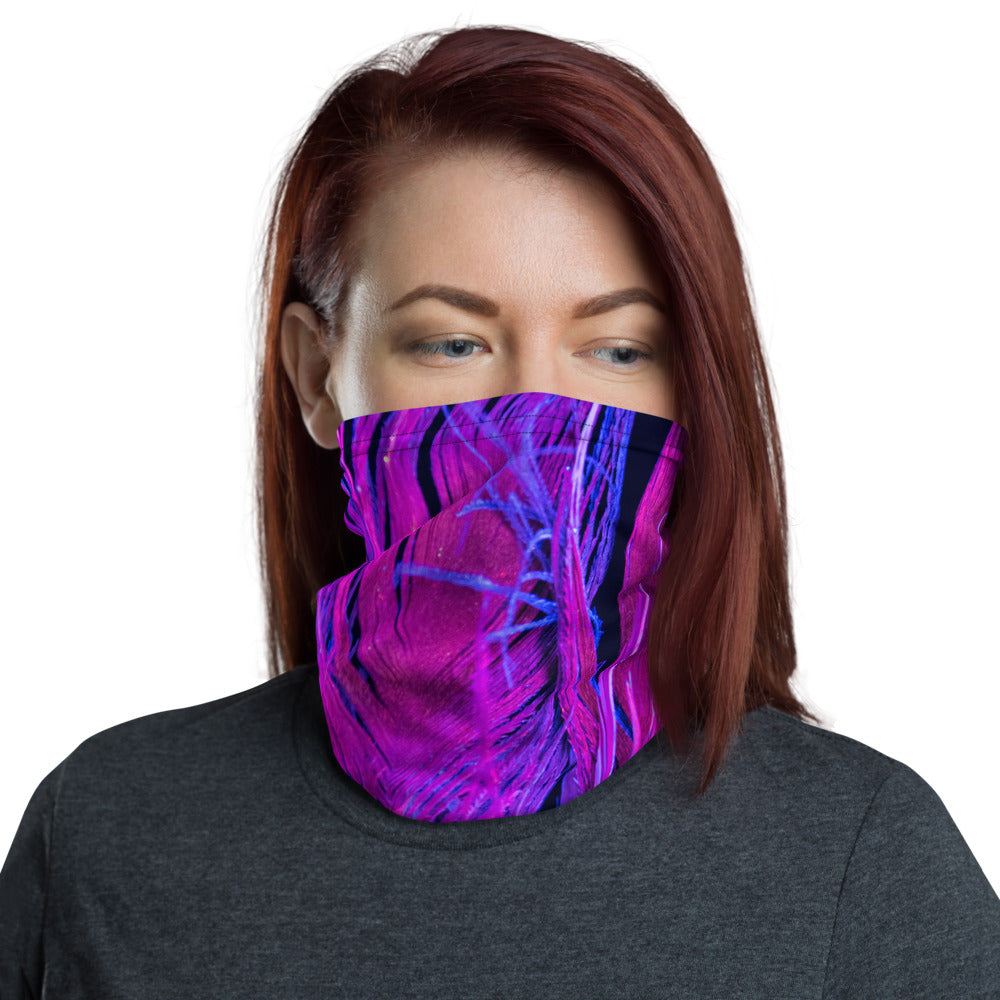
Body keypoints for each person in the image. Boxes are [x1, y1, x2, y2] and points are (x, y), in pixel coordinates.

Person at [2, 24, 997, 997]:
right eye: (450, 343)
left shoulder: (863, 860)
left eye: (618, 350)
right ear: (317, 379)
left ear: (692, 390)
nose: (536, 417)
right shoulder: (109, 835)